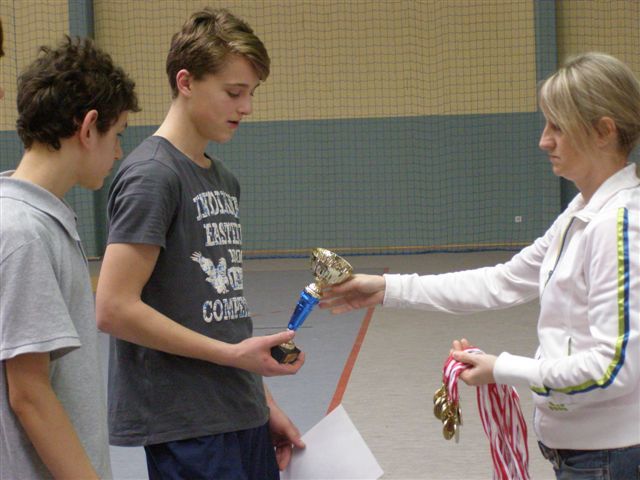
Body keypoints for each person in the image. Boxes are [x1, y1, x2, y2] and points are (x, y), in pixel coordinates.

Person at [320, 52, 640, 479]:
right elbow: (503, 281)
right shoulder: (581, 213)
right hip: (581, 450)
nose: (544, 141)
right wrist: (386, 289)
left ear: (603, 131)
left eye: (558, 127)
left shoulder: (619, 225)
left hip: (609, 456)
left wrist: (501, 368)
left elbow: (613, 369)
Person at [95, 8, 305, 479]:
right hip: (187, 425)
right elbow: (113, 308)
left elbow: (222, 314)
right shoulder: (152, 176)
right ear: (186, 81)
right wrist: (233, 357)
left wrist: (262, 403)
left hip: (239, 411)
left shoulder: (224, 180)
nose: (246, 108)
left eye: (251, 93)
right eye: (234, 92)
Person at [0, 36, 139, 479]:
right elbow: (30, 395)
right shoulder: (24, 233)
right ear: (89, 127)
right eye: (117, 135)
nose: (118, 152)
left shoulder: (39, 219)